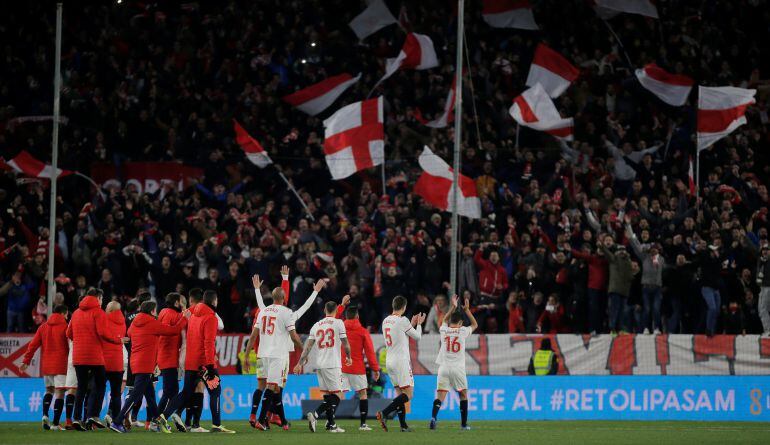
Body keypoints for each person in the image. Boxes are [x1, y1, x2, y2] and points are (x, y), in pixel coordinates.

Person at [251, 271, 324, 430]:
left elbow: (260, 304)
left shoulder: (264, 310)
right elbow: (305, 307)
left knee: (273, 388)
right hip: (280, 355)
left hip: (263, 354)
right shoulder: (288, 313)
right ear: (284, 299)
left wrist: (257, 289)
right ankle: (264, 419)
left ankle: (280, 420)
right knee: (275, 388)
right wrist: (315, 292)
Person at [158, 290, 235, 433]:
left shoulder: (193, 312)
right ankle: (216, 425)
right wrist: (211, 366)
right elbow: (208, 342)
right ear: (213, 301)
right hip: (204, 363)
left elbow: (187, 313)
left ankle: (163, 416)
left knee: (186, 392)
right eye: (216, 300)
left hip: (190, 361)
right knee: (215, 391)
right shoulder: (211, 318)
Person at [109, 301, 188, 433]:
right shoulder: (152, 323)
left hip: (135, 362)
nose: (156, 313)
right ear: (152, 311)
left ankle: (156, 421)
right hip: (145, 364)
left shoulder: (135, 323)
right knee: (135, 395)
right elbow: (173, 331)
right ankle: (117, 422)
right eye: (155, 311)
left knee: (150, 397)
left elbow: (129, 333)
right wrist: (184, 318)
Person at [66, 289, 125, 430]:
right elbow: (103, 333)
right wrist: (118, 341)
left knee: (81, 387)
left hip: (79, 356)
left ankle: (76, 418)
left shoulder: (76, 313)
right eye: (101, 299)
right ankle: (93, 415)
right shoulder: (98, 312)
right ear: (98, 298)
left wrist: (80, 340)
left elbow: (68, 333)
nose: (102, 302)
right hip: (95, 356)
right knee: (100, 386)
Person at [243, 265, 290, 429]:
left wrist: (256, 290)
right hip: (277, 352)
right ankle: (271, 417)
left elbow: (253, 334)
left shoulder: (261, 312)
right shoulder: (278, 312)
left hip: (260, 352)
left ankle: (256, 415)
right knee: (276, 386)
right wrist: (285, 280)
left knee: (263, 386)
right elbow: (283, 301)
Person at [296, 301, 352, 433]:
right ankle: (315, 415)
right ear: (336, 310)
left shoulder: (316, 325)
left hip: (320, 365)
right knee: (338, 395)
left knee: (328, 396)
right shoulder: (339, 323)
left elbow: (307, 347)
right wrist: (349, 357)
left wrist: (299, 363)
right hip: (332, 364)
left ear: (324, 310)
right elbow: (346, 343)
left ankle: (331, 425)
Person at [376, 295, 426, 432]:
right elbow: (418, 336)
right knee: (408, 394)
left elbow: (400, 333)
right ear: (404, 307)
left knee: (400, 394)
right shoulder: (402, 320)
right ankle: (384, 413)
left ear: (393, 306)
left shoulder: (386, 320)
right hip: (401, 361)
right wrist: (419, 323)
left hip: (389, 362)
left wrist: (411, 323)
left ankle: (403, 426)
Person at [429, 294, 478, 431]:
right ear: (461, 323)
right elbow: (475, 324)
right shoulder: (462, 331)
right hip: (457, 369)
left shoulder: (444, 330)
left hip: (443, 368)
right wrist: (467, 310)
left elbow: (444, 319)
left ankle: (433, 417)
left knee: (440, 396)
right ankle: (463, 425)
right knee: (463, 395)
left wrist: (453, 307)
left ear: (450, 321)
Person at [20, 304, 69, 430]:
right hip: (60, 365)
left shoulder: (43, 327)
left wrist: (26, 361)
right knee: (60, 393)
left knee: (49, 390)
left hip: (46, 366)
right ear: (63, 314)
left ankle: (45, 415)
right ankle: (56, 424)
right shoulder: (66, 327)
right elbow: (70, 346)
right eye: (67, 314)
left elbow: (33, 345)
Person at [335, 298, 380, 431]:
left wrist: (342, 305)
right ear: (358, 316)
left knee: (338, 395)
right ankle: (363, 424)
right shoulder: (362, 332)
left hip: (342, 366)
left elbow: (334, 316)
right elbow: (370, 352)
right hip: (357, 368)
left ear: (346, 316)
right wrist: (375, 369)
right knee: (363, 394)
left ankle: (328, 420)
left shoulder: (340, 327)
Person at [157, 293, 187, 416]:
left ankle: (158, 419)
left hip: (162, 356)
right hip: (170, 357)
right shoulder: (176, 315)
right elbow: (177, 332)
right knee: (172, 392)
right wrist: (185, 316)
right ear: (176, 303)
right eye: (181, 302)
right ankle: (158, 419)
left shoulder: (163, 312)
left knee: (168, 392)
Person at [101, 301, 127, 426]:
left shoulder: (103, 320)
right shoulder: (123, 322)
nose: (104, 309)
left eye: (106, 307)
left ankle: (91, 418)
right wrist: (119, 340)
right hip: (118, 362)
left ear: (111, 310)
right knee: (116, 394)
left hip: (104, 361)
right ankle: (117, 421)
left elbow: (102, 334)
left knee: (96, 391)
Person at [757, 245, 770, 335]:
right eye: (763, 250)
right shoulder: (761, 260)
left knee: (762, 309)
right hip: (763, 287)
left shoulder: (766, 261)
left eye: (767, 250)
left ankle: (768, 330)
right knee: (765, 309)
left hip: (767, 288)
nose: (765, 251)